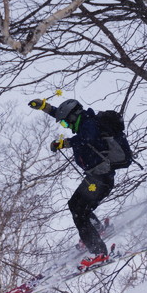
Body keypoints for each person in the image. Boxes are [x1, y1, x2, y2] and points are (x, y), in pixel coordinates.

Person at [28, 97, 116, 269]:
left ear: (74, 117)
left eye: (67, 124)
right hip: (95, 178)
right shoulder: (83, 120)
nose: (67, 127)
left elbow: (88, 138)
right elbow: (62, 114)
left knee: (80, 212)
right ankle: (97, 230)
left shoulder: (88, 124)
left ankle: (100, 253)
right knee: (75, 205)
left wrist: (65, 143)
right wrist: (45, 107)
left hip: (100, 179)